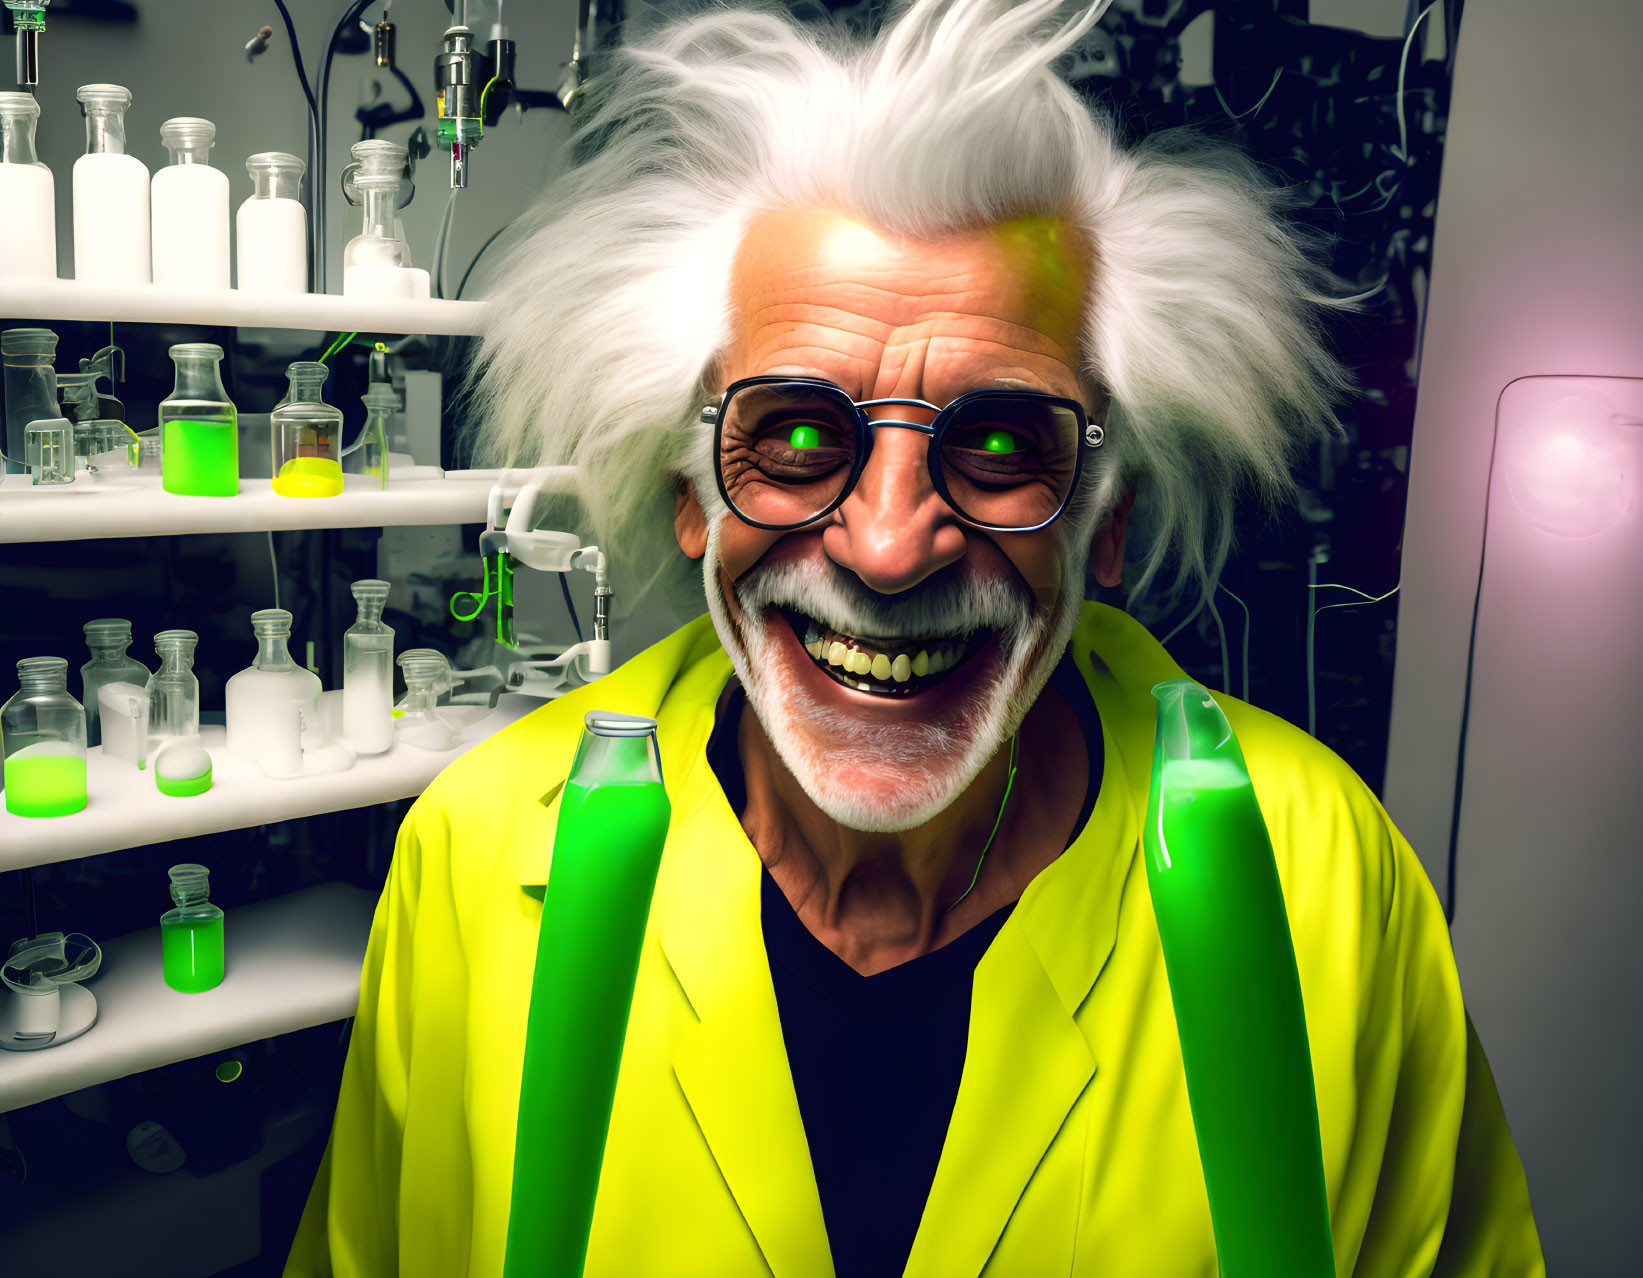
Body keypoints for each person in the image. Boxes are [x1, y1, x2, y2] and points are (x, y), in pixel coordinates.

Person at [286, 2, 1544, 1274]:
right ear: (688, 496)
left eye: (1002, 446)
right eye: (790, 435)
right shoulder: (476, 845)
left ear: (1107, 520)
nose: (889, 548)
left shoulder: (1324, 876)